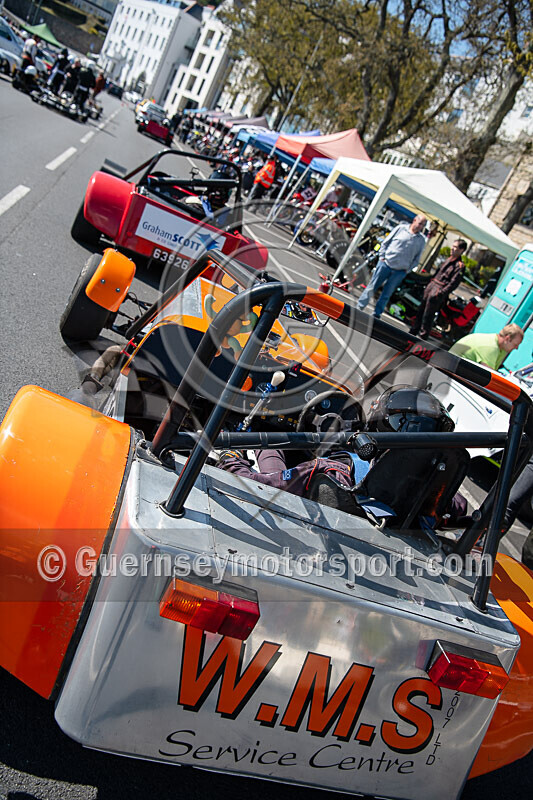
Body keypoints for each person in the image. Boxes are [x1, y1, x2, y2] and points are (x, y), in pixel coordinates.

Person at [356, 215, 427, 319]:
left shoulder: (421, 240)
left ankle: (377, 314)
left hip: (400, 271)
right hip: (386, 263)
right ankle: (359, 306)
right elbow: (386, 242)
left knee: (387, 293)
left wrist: (407, 269)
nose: (420, 227)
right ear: (414, 220)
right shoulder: (401, 229)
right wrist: (382, 257)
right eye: (420, 223)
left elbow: (417, 258)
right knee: (372, 286)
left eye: (423, 225)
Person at [409, 238, 468, 339]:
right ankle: (413, 331)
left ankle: (423, 336)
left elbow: (453, 283)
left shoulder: (459, 266)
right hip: (432, 285)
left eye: (456, 247)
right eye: (452, 246)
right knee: (420, 311)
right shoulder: (448, 259)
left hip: (439, 289)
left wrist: (441, 293)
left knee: (428, 315)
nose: (452, 249)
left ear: (461, 250)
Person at [449, 323, 524, 370]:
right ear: (507, 338)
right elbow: (489, 376)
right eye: (515, 344)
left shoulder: (501, 348)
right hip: (450, 372)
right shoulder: (491, 347)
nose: (516, 348)